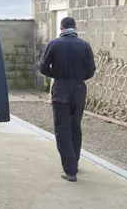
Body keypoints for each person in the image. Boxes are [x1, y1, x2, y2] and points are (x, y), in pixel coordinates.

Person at [38, 17, 95, 182]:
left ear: (61, 28)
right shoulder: (85, 45)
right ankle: (74, 162)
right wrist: (78, 77)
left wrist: (56, 74)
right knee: (75, 126)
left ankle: (70, 171)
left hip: (61, 88)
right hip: (79, 89)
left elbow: (42, 67)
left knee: (62, 129)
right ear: (74, 27)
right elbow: (90, 71)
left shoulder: (54, 45)